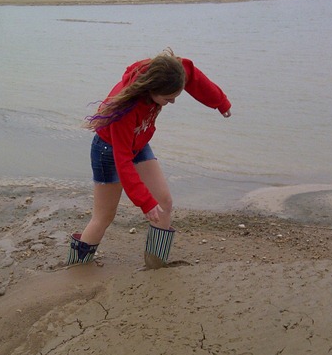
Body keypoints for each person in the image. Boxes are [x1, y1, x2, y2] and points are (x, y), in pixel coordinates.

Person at [67, 49, 231, 268]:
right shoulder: (125, 110)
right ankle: (75, 267)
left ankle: (156, 266)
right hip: (109, 150)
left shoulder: (170, 71)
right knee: (103, 217)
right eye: (168, 99)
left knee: (164, 203)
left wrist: (220, 102)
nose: (172, 101)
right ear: (151, 89)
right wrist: (144, 202)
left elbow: (192, 74)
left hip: (139, 142)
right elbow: (123, 160)